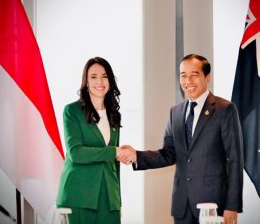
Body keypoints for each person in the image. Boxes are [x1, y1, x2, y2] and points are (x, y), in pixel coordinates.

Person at [122, 54, 243, 224]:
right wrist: (137, 156)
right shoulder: (175, 112)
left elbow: (235, 160)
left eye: (194, 75)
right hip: (182, 205)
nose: (188, 81)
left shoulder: (225, 109)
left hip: (214, 206)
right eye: (183, 75)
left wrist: (232, 206)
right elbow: (168, 154)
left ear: (207, 78)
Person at [56, 57, 135, 224]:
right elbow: (75, 153)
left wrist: (117, 201)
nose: (100, 81)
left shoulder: (114, 114)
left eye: (105, 76)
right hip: (79, 196)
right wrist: (114, 151)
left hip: (109, 198)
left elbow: (114, 163)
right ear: (86, 81)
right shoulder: (72, 111)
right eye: (93, 76)